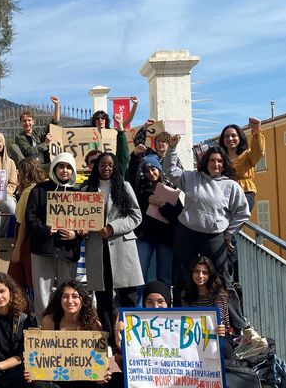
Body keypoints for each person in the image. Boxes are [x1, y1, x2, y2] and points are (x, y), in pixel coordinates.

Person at [165, 135, 250, 333]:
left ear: (224, 164)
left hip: (214, 236)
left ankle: (238, 325)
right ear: (206, 161)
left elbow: (243, 212)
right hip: (187, 233)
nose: (216, 164)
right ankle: (179, 320)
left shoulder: (231, 185)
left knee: (223, 279)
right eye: (212, 160)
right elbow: (170, 171)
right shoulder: (192, 177)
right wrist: (173, 148)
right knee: (182, 276)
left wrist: (229, 234)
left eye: (220, 161)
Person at [83, 152, 144, 332]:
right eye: (102, 164)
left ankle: (130, 339)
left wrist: (112, 227)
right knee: (103, 297)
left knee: (128, 296)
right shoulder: (86, 190)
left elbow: (136, 215)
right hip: (97, 248)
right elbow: (80, 218)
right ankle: (108, 339)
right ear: (96, 167)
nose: (106, 168)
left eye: (110, 165)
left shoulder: (124, 187)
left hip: (122, 247)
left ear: (115, 167)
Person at [25, 152, 82, 324]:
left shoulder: (78, 193)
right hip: (43, 249)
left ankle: (66, 325)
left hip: (67, 250)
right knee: (42, 291)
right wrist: (46, 230)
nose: (65, 171)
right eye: (61, 166)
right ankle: (45, 326)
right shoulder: (39, 190)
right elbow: (30, 218)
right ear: (54, 168)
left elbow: (85, 222)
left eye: (68, 167)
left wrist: (76, 234)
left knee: (68, 291)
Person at [26, 280, 112, 388]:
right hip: (57, 380)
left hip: (84, 381)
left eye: (75, 296)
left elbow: (100, 359)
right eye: (65, 297)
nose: (70, 301)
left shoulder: (94, 325)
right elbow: (43, 356)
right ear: (60, 300)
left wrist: (102, 376)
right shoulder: (49, 322)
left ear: (83, 300)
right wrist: (34, 372)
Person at [132, 154, 182, 305]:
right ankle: (139, 310)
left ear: (159, 170)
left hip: (165, 239)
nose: (150, 173)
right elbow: (137, 213)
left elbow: (178, 216)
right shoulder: (139, 190)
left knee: (164, 276)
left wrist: (162, 205)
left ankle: (164, 308)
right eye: (147, 170)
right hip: (145, 237)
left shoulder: (170, 190)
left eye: (153, 169)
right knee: (140, 276)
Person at [9, 158, 47, 293]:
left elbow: (23, 224)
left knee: (22, 278)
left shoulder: (28, 192)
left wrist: (17, 248)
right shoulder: (43, 188)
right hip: (40, 239)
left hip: (27, 241)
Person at [219, 117, 265, 211]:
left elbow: (259, 151)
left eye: (233, 135)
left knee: (238, 214)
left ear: (239, 137)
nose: (230, 139)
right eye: (226, 136)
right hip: (225, 194)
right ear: (223, 140)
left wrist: (257, 131)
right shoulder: (220, 158)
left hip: (245, 193)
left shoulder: (248, 155)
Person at [182, 257, 231, 333]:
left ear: (210, 275)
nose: (200, 276)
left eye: (204, 273)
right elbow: (187, 317)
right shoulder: (185, 294)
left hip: (218, 334)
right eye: (196, 271)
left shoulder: (219, 293)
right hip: (193, 333)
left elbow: (218, 320)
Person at [13, 96, 60, 164]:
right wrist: (45, 144)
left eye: (29, 120)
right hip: (30, 165)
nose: (27, 123)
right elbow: (28, 151)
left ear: (33, 122)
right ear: (21, 123)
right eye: (24, 121)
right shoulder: (19, 137)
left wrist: (57, 105)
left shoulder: (39, 132)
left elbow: (54, 123)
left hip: (44, 164)